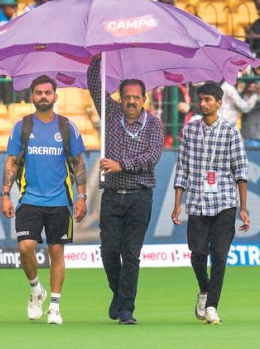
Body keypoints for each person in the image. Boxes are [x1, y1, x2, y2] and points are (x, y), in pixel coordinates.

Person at [0, 75, 88, 325]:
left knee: (56, 250)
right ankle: (35, 289)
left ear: (55, 96)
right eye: (38, 93)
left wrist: (81, 197)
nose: (43, 97)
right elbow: (11, 163)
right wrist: (5, 195)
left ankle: (55, 307)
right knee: (26, 247)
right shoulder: (23, 126)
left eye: (48, 93)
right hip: (30, 199)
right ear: (32, 97)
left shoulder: (66, 127)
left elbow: (78, 164)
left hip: (59, 201)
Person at [87, 56, 164, 324]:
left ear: (144, 99)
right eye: (126, 97)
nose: (131, 101)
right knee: (108, 251)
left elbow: (152, 157)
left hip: (139, 196)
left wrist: (122, 165)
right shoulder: (110, 114)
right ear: (120, 98)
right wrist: (100, 55)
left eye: (136, 97)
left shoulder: (154, 123)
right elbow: (94, 84)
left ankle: (127, 309)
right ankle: (118, 295)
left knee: (130, 254)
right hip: (111, 196)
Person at [171, 82, 250, 325]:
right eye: (201, 99)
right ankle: (204, 291)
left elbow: (241, 170)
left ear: (219, 103)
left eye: (208, 100)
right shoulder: (190, 131)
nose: (203, 103)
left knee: (219, 255)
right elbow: (182, 168)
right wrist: (177, 204)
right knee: (198, 254)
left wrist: (243, 208)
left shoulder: (230, 131)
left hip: (225, 201)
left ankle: (212, 306)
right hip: (196, 202)